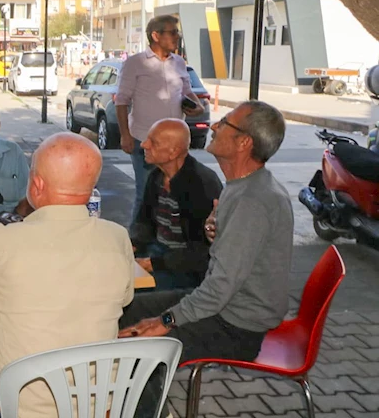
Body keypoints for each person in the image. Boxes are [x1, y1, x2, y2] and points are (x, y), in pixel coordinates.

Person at [0, 132, 135, 418]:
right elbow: (126, 297)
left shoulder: (2, 242)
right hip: (99, 407)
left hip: (23, 409)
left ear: (37, 184)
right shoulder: (118, 238)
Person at [118, 101, 292, 417]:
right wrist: (218, 234)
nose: (213, 126)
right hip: (227, 306)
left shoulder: (251, 201)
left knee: (142, 346)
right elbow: (237, 259)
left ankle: (143, 410)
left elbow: (220, 288)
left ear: (244, 143)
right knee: (125, 309)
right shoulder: (244, 187)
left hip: (237, 325)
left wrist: (166, 321)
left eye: (224, 123)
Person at [115, 15, 206, 231]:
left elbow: (187, 92)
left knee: (176, 192)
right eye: (172, 32)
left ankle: (170, 240)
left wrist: (198, 108)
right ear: (156, 36)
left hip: (175, 143)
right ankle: (136, 244)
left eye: (177, 32)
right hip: (144, 140)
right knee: (145, 193)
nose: (177, 37)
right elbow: (121, 101)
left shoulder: (180, 63)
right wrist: (125, 135)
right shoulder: (135, 63)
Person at [131, 119, 222, 290]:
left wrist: (153, 264)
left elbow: (202, 252)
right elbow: (144, 223)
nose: (144, 144)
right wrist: (131, 244)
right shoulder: (155, 177)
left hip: (187, 269)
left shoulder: (200, 184)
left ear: (173, 152)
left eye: (153, 142)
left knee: (137, 294)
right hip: (158, 252)